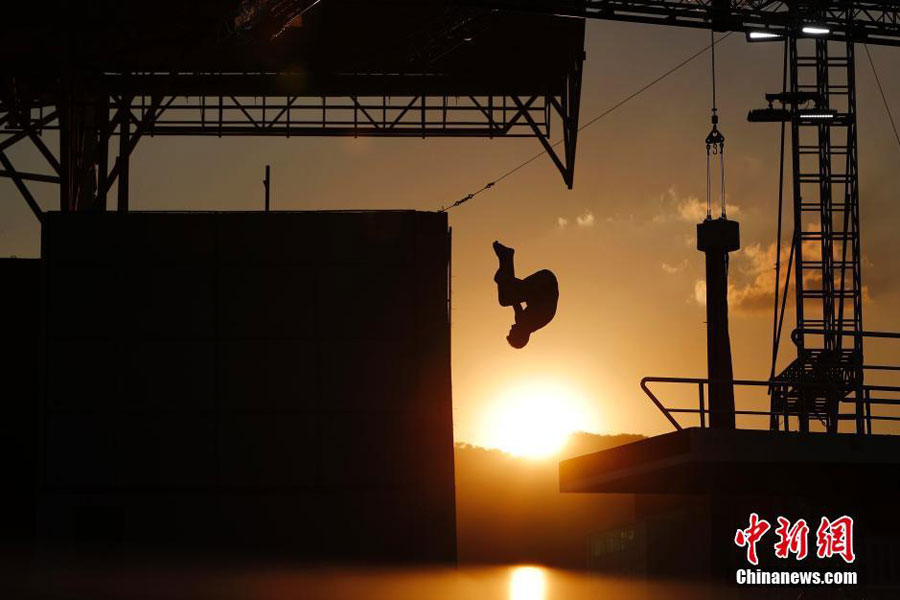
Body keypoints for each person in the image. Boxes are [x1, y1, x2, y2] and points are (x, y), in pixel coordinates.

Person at [492, 241, 559, 349]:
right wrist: (503, 281)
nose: (510, 328)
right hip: (545, 284)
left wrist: (504, 282)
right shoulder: (526, 323)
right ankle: (507, 257)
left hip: (542, 286)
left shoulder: (525, 323)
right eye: (511, 332)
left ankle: (506, 258)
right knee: (505, 299)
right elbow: (513, 298)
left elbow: (514, 297)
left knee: (506, 297)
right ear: (519, 334)